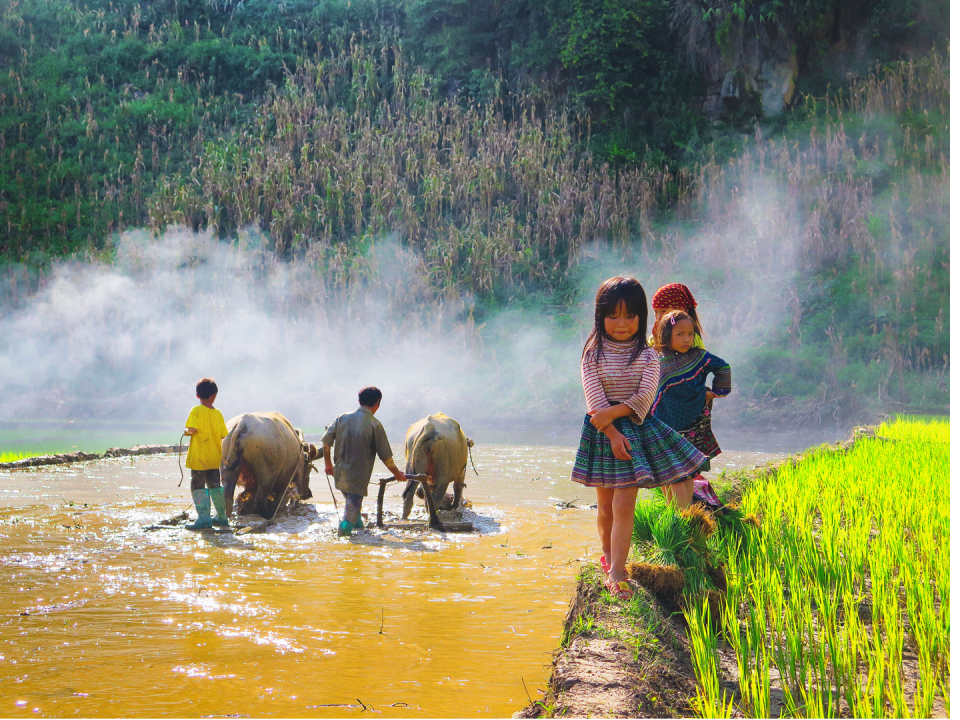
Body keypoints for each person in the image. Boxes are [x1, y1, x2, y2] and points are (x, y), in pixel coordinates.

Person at [571, 277, 707, 600]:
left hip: (635, 430)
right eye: (613, 315)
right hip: (601, 433)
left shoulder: (647, 356)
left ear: (641, 317)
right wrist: (610, 430)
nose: (621, 323)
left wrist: (613, 417)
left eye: (630, 316)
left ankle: (618, 572)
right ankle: (608, 558)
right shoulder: (592, 353)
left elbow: (645, 398)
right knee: (604, 505)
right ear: (600, 316)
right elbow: (594, 398)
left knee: (624, 503)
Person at [650, 310, 732, 510]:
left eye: (690, 334)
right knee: (668, 474)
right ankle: (677, 516)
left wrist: (715, 393)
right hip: (664, 426)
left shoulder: (700, 357)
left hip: (693, 424)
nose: (686, 339)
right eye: (680, 334)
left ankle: (680, 517)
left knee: (683, 472)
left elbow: (723, 368)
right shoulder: (657, 360)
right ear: (666, 335)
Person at [321, 386, 407, 537]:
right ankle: (341, 542)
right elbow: (386, 457)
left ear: (359, 401)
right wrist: (397, 473)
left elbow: (326, 444)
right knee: (350, 513)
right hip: (358, 478)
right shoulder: (375, 424)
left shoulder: (342, 418)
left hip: (339, 474)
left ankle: (360, 530)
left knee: (353, 507)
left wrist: (328, 464)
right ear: (378, 402)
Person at [183, 378, 229, 530]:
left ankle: (204, 519)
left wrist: (186, 431)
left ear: (197, 396)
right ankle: (222, 517)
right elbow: (223, 434)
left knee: (197, 485)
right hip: (214, 457)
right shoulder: (218, 414)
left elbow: (191, 429)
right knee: (215, 486)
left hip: (199, 457)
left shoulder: (195, 411)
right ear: (214, 396)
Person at [650, 283, 705, 349]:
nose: (658, 317)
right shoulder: (653, 338)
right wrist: (657, 343)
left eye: (664, 311)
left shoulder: (692, 339)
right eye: (655, 312)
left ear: (680, 311)